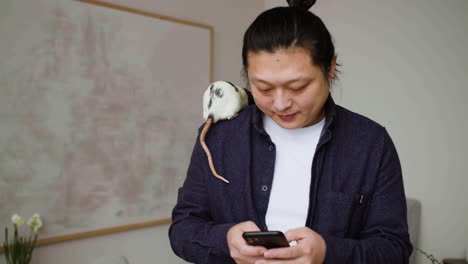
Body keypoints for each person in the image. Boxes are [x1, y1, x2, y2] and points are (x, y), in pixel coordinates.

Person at [169, 0, 413, 263]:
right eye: (263, 88)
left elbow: (393, 249)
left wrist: (327, 253)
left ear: (330, 67)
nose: (281, 103)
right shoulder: (219, 137)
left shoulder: (370, 143)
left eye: (297, 87)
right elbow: (182, 228)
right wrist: (225, 240)